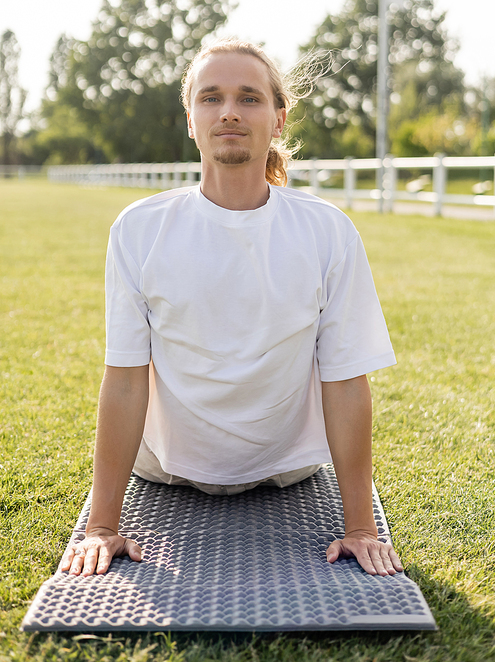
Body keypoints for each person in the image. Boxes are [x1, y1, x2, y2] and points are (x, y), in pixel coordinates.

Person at [60, 39, 403, 579]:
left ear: (278, 118)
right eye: (211, 98)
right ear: (192, 120)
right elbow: (125, 379)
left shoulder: (327, 231)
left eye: (249, 98)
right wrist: (102, 525)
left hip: (289, 470)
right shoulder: (139, 228)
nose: (229, 112)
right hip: (165, 470)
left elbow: (344, 377)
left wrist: (361, 527)